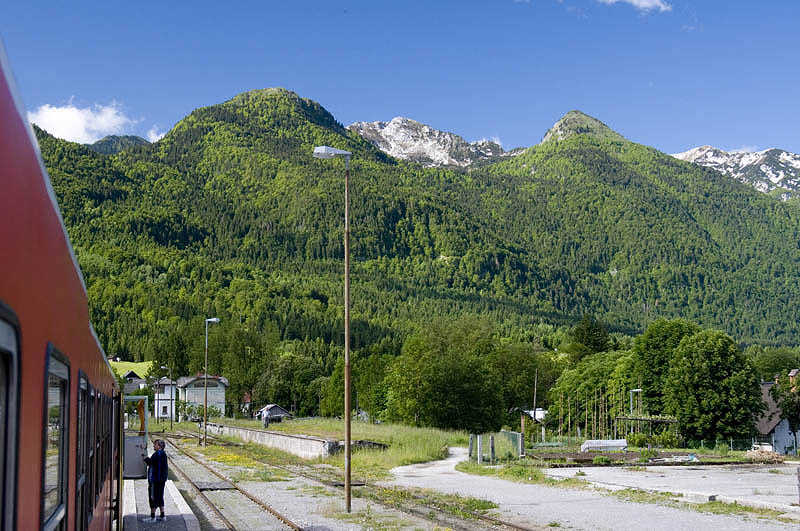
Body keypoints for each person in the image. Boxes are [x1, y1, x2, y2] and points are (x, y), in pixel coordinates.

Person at [143, 439, 168, 522]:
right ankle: (162, 515)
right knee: (160, 496)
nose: (154, 446)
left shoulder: (157, 455)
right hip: (162, 480)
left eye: (155, 445)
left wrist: (145, 458)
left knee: (153, 497)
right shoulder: (163, 454)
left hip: (155, 480)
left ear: (159, 446)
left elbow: (151, 463)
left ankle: (153, 517)